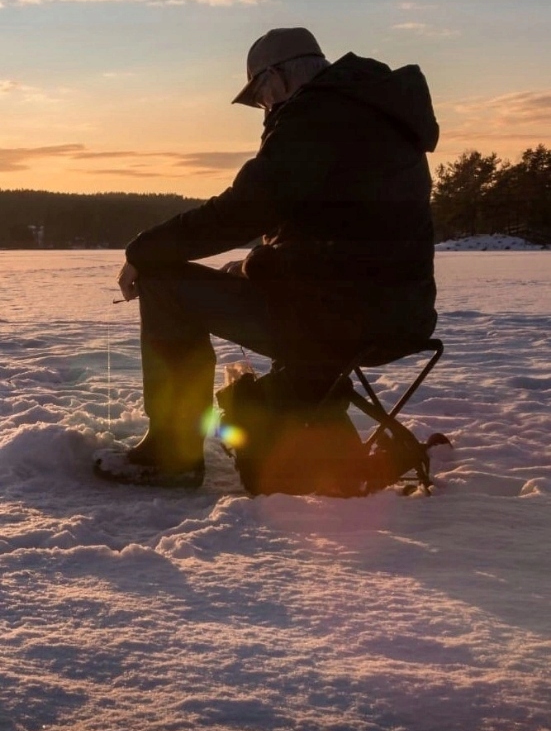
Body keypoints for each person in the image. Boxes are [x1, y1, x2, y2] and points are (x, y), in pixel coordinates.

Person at [113, 26, 439, 487]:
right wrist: (257, 265)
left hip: (334, 320)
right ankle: (309, 443)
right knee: (252, 289)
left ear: (277, 76)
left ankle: (172, 455)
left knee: (165, 285)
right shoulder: (374, 114)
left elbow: (241, 212)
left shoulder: (317, 118)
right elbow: (342, 235)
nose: (264, 107)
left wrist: (144, 250)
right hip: (398, 315)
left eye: (260, 94)